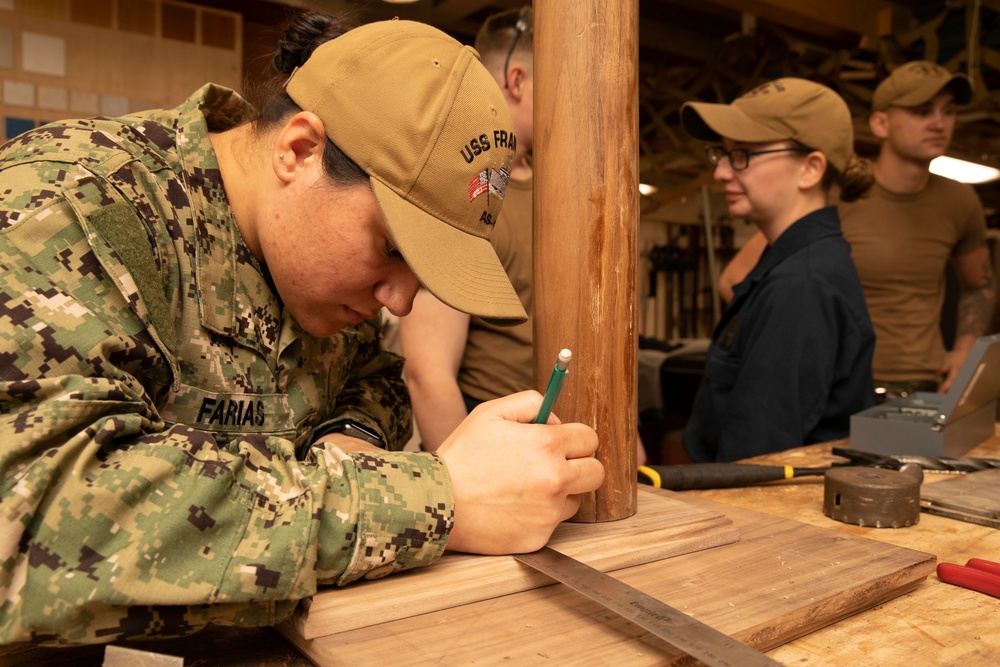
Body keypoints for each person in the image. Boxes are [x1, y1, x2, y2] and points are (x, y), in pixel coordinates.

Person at [0, 13, 604, 645]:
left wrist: (352, 445)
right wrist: (435, 500)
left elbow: (371, 380)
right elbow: (38, 517)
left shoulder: (315, 273)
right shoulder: (65, 208)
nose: (399, 301)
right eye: (393, 250)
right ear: (299, 150)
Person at [397, 7, 647, 463]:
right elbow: (427, 372)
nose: (574, 102)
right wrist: (474, 487)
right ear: (516, 81)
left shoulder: (561, 194)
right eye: (562, 85)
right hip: (501, 437)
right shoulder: (465, 189)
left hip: (570, 434)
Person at [717, 62, 995, 396]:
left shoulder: (959, 200)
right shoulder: (837, 193)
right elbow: (735, 281)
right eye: (922, 112)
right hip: (844, 394)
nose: (939, 123)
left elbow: (979, 285)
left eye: (948, 111)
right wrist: (795, 361)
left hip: (926, 389)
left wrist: (966, 349)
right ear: (880, 123)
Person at [679, 78, 878, 462]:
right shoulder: (793, 265)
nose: (721, 172)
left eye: (743, 155)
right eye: (722, 153)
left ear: (810, 169)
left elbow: (757, 458)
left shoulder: (800, 285)